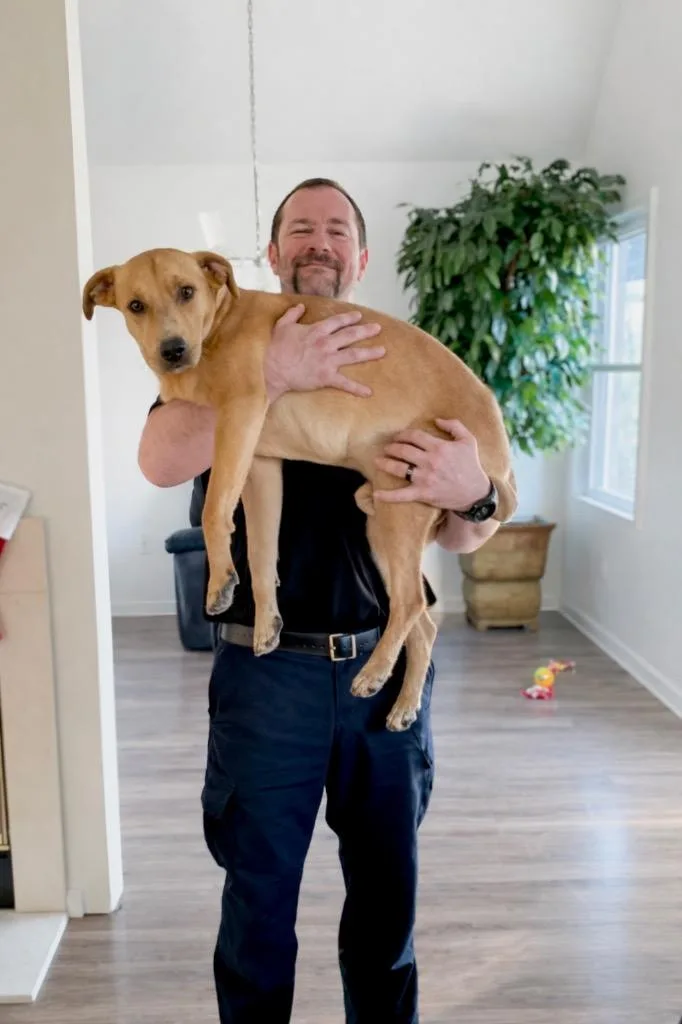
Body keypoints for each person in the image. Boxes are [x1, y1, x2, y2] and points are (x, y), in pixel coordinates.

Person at [138, 178, 499, 1023]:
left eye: (337, 230)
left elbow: (464, 538)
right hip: (267, 677)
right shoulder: (216, 344)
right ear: (271, 254)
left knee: (385, 907)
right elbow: (159, 460)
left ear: (360, 258)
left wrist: (476, 493)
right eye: (301, 229)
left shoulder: (398, 363)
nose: (319, 242)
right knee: (259, 909)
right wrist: (268, 374)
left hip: (379, 665)